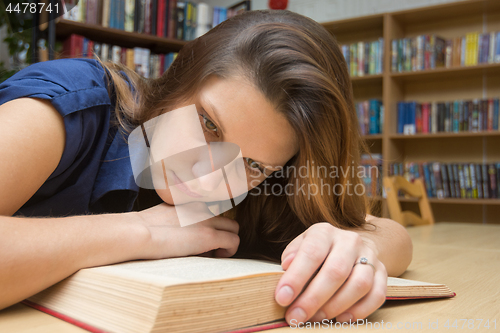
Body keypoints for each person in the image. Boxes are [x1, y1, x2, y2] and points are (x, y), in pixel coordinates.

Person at [0, 9, 412, 325]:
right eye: (209, 125)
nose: (210, 177)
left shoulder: (259, 191)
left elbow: (388, 234)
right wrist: (140, 232)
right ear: (179, 79)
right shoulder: (73, 104)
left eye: (253, 164)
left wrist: (360, 250)